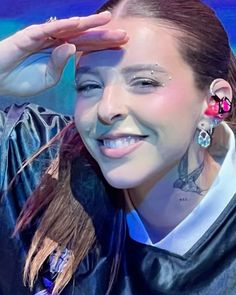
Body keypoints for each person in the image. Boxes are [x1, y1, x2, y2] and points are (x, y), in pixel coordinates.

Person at [0, 0, 236, 294]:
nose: (107, 109)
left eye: (144, 82)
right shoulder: (28, 157)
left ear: (215, 103)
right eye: (89, 86)